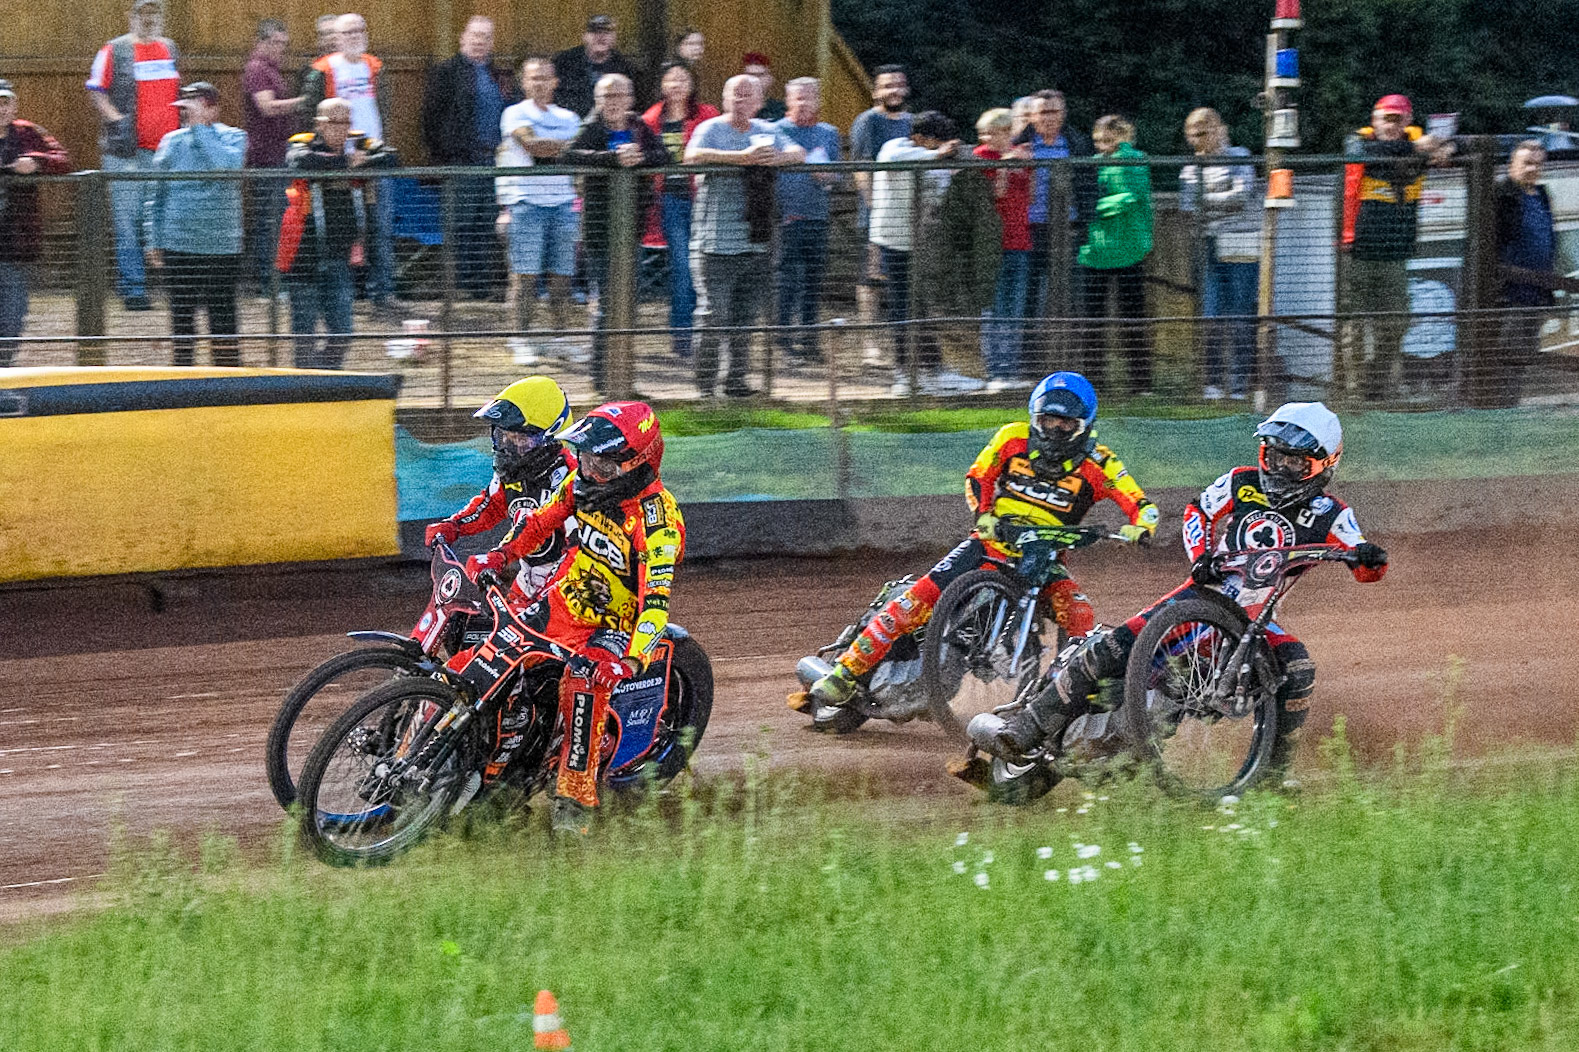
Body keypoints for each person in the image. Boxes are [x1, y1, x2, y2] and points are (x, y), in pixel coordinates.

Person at [968, 401, 1388, 786]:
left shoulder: (1332, 513)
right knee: (1113, 647)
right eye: (1274, 456)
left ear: (1323, 464)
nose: (1279, 468)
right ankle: (1025, 729)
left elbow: (1365, 562)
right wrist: (1201, 555)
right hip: (1199, 595)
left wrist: (1367, 558)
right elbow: (1198, 510)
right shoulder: (1241, 482)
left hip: (1254, 619)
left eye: (1293, 461)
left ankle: (1271, 776)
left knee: (1297, 669)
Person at [796, 371, 1157, 712]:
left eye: (1066, 423)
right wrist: (983, 513)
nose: (1056, 430)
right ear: (1035, 418)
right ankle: (845, 672)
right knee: (916, 598)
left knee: (1080, 613)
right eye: (1048, 420)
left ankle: (1064, 701)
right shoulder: (1011, 437)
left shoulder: (1102, 463)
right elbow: (978, 475)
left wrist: (1141, 526)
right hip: (989, 544)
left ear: (1084, 427)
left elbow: (1141, 505)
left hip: (1044, 559)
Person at [464, 401, 684, 836]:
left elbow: (655, 604)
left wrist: (633, 660)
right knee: (495, 655)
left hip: (616, 623)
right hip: (566, 599)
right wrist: (500, 554)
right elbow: (540, 522)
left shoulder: (659, 524)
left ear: (637, 465)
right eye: (583, 458)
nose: (587, 470)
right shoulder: (578, 482)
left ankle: (575, 795)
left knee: (584, 681)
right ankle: (488, 769)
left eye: (602, 465)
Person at [683, 74, 804, 398]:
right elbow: (691, 157)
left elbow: (799, 154)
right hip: (713, 243)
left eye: (747, 95)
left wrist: (774, 158)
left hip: (756, 241)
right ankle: (705, 389)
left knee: (744, 319)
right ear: (724, 99)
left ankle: (735, 383)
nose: (740, 100)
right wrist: (743, 159)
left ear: (759, 102)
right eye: (734, 94)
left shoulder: (768, 130)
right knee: (712, 316)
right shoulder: (710, 128)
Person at [424, 376, 577, 602]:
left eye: (522, 439)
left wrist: (500, 557)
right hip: (528, 578)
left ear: (551, 437)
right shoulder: (513, 472)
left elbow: (578, 548)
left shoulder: (571, 478)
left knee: (521, 634)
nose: (511, 446)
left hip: (570, 584)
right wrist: (454, 525)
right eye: (506, 437)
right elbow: (491, 505)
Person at [1340, 94, 1452, 401]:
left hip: (1395, 255)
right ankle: (1355, 395)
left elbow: (1458, 144)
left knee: (1395, 325)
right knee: (1354, 329)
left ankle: (1375, 389)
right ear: (1374, 120)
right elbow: (1367, 155)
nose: (1391, 125)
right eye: (1385, 119)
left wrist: (1447, 147)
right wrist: (1416, 149)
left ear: (1408, 121)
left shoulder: (1418, 143)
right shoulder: (1359, 141)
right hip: (1357, 252)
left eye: (1397, 119)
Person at [563, 74, 670, 393]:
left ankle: (622, 380)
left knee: (627, 305)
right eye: (606, 96)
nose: (612, 102)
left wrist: (640, 158)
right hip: (599, 231)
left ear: (630, 98)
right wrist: (612, 158)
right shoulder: (593, 126)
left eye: (618, 96)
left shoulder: (638, 126)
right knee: (609, 306)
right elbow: (569, 154)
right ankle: (602, 379)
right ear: (597, 100)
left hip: (632, 230)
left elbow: (664, 156)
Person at [276, 98, 398, 368]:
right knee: (304, 335)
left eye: (346, 122)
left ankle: (326, 377)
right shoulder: (303, 142)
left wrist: (353, 163)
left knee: (343, 332)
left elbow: (389, 157)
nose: (342, 129)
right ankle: (306, 387)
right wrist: (346, 164)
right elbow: (299, 162)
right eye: (335, 122)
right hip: (303, 257)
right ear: (320, 123)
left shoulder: (359, 142)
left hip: (339, 256)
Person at [869, 111, 985, 396]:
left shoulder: (937, 161)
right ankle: (904, 375)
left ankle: (932, 373)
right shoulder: (894, 148)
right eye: (938, 142)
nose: (942, 148)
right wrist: (938, 158)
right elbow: (896, 162)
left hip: (923, 245)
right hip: (894, 242)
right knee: (902, 309)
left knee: (920, 309)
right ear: (920, 137)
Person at [301, 13, 402, 312]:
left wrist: (378, 151)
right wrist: (325, 156)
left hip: (371, 159)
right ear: (337, 37)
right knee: (339, 230)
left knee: (380, 228)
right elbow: (309, 116)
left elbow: (385, 112)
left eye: (360, 30)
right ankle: (340, 295)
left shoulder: (376, 67)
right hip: (336, 164)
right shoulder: (322, 70)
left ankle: (382, 293)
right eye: (348, 33)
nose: (355, 36)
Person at [86, 0, 182, 311]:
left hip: (165, 151)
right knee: (127, 221)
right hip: (125, 151)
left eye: (156, 13)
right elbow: (95, 88)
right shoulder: (113, 49)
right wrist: (115, 119)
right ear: (132, 16)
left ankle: (166, 284)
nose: (150, 18)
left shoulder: (170, 47)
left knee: (160, 218)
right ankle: (134, 289)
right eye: (144, 12)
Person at [150, 82, 248, 367]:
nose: (186, 114)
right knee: (181, 320)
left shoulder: (235, 137)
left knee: (223, 319)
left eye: (196, 107)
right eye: (184, 108)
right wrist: (154, 238)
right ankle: (181, 382)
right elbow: (157, 194)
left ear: (214, 108)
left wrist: (202, 130)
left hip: (222, 247)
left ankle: (229, 383)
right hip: (178, 244)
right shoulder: (171, 141)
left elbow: (225, 168)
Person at [422, 15, 516, 300]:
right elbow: (430, 119)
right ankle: (459, 289)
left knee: (486, 225)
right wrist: (444, 157)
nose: (480, 41)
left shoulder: (499, 75)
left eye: (486, 36)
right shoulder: (446, 72)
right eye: (475, 35)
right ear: (463, 38)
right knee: (459, 226)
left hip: (494, 163)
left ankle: (480, 288)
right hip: (460, 162)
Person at [496, 56, 582, 360]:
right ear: (524, 82)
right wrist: (566, 145)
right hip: (525, 203)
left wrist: (560, 146)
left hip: (563, 204)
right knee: (524, 276)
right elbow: (532, 146)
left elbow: (575, 153)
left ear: (555, 81)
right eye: (534, 78)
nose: (540, 83)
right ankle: (520, 338)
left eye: (545, 77)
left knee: (562, 277)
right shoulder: (514, 113)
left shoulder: (569, 117)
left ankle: (561, 337)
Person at [1180, 107, 1259, 401]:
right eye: (1193, 135)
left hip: (1240, 244)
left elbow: (1242, 195)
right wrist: (1215, 200)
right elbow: (1188, 208)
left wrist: (1205, 198)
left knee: (1240, 315)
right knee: (1210, 315)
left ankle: (1239, 386)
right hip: (1207, 245)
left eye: (1204, 132)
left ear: (1219, 129)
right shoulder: (1190, 168)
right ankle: (1211, 382)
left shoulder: (1239, 156)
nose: (1199, 140)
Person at [641, 60, 719, 359]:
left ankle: (706, 337)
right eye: (671, 79)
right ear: (662, 85)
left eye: (683, 79)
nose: (677, 85)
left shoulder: (708, 115)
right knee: (684, 269)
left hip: (703, 198)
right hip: (669, 201)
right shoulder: (651, 119)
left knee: (704, 268)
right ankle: (683, 337)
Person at [1016, 90, 1096, 363]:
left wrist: (1086, 222)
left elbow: (1089, 186)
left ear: (1063, 114)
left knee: (1074, 297)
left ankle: (1074, 362)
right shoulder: (1020, 144)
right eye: (1043, 112)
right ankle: (1030, 363)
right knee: (1028, 297)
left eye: (1054, 111)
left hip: (1069, 230)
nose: (1049, 117)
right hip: (1031, 230)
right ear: (1032, 116)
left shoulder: (1077, 143)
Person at [1078, 115, 1153, 397]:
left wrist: (1094, 207)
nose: (1102, 146)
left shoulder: (1131, 160)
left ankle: (1140, 383)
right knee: (1093, 320)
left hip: (1126, 249)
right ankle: (1094, 381)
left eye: (1108, 140)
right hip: (1097, 249)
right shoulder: (1096, 162)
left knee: (1131, 318)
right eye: (1098, 141)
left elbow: (1130, 196)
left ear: (1122, 136)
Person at [0, 81, 70, 363]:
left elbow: (62, 159)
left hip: (17, 242)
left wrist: (34, 161)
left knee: (13, 315)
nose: (1, 109)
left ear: (14, 106)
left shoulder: (27, 133)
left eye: (5, 103)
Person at [773, 77, 841, 363]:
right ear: (788, 100)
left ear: (817, 100)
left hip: (817, 216)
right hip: (785, 218)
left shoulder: (828, 132)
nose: (803, 103)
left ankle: (810, 339)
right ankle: (783, 339)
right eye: (798, 97)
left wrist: (827, 177)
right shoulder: (775, 130)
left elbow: (837, 173)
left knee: (813, 281)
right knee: (788, 279)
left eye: (809, 97)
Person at [850, 65, 913, 366]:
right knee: (871, 279)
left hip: (908, 219)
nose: (894, 90)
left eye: (899, 84)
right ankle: (869, 343)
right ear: (876, 91)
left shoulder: (913, 123)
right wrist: (875, 212)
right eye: (888, 86)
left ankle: (905, 345)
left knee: (903, 284)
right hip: (875, 216)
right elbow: (862, 169)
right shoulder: (867, 122)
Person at [1489, 140, 1556, 407]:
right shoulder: (1502, 194)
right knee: (1507, 351)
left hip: (1536, 290)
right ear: (1511, 165)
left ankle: (1511, 404)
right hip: (1510, 291)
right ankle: (1499, 406)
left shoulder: (1541, 195)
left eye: (1538, 164)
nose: (1533, 169)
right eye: (1527, 163)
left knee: (1525, 352)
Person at [974, 108, 1034, 391]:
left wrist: (1027, 165)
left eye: (992, 132)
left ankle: (1010, 371)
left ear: (1006, 132)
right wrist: (1005, 166)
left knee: (1014, 310)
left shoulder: (1018, 155)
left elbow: (1030, 196)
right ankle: (995, 373)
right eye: (983, 133)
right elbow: (993, 194)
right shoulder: (980, 158)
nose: (985, 138)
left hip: (1019, 242)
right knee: (993, 310)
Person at [242, 19, 305, 288]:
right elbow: (267, 107)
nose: (281, 48)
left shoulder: (272, 70)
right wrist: (305, 102)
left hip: (279, 153)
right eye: (276, 43)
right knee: (271, 220)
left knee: (278, 218)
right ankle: (269, 281)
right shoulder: (257, 69)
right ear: (261, 42)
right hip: (267, 157)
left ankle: (274, 279)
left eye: (284, 43)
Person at [552, 14, 638, 119]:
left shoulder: (625, 68)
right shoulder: (564, 62)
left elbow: (634, 104)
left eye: (606, 32)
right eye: (594, 32)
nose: (600, 37)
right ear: (585, 37)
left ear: (614, 37)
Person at [297, 14, 340, 130]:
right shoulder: (309, 71)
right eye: (324, 34)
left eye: (332, 32)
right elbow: (304, 112)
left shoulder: (358, 67)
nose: (329, 38)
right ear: (318, 40)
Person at [741, 52, 785, 122]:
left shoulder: (782, 110)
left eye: (760, 75)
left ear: (770, 78)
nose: (755, 80)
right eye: (750, 75)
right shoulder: (735, 109)